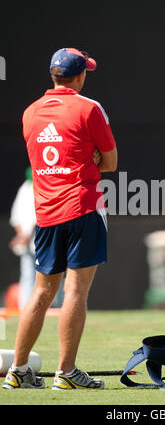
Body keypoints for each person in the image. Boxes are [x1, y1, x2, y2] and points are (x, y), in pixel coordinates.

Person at [3, 48, 117, 390]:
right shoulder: (89, 108)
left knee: (40, 293)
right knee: (75, 292)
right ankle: (65, 373)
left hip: (47, 214)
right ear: (80, 76)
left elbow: (42, 161)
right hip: (83, 207)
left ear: (53, 75)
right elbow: (110, 162)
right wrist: (90, 158)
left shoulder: (30, 112)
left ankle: (19, 370)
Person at [9, 167, 64, 309]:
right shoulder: (26, 189)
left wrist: (24, 236)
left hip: (46, 241)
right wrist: (23, 236)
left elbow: (41, 216)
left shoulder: (44, 187)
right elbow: (17, 217)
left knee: (52, 274)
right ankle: (26, 309)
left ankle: (55, 308)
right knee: (29, 277)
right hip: (29, 243)